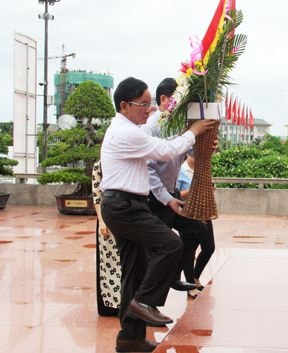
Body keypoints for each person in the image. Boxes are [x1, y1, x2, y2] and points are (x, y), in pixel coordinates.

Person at [100, 77, 215, 353]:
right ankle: (144, 303)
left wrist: (196, 142)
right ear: (125, 105)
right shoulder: (126, 132)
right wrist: (194, 131)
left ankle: (130, 338)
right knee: (170, 244)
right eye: (144, 104)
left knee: (134, 271)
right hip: (123, 206)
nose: (150, 109)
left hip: (128, 204)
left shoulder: (131, 130)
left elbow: (165, 152)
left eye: (150, 103)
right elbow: (164, 151)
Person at [142, 77, 214, 299]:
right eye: (180, 101)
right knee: (162, 248)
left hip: (170, 194)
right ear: (164, 100)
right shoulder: (152, 127)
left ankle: (176, 277)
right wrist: (167, 198)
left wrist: (207, 146)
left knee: (197, 230)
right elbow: (148, 170)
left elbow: (189, 152)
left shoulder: (181, 124)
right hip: (154, 197)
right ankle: (151, 301)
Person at [176, 154, 216, 298]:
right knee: (189, 250)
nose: (197, 155)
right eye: (194, 152)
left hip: (203, 212)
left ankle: (195, 276)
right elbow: (175, 195)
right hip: (187, 215)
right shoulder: (179, 170)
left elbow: (208, 189)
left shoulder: (203, 169)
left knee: (209, 247)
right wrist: (194, 189)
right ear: (187, 153)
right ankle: (190, 285)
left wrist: (210, 189)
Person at [92, 160, 120, 317]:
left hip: (125, 216)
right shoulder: (100, 165)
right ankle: (110, 305)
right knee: (108, 264)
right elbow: (97, 194)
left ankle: (126, 302)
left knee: (126, 263)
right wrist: (102, 221)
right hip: (106, 218)